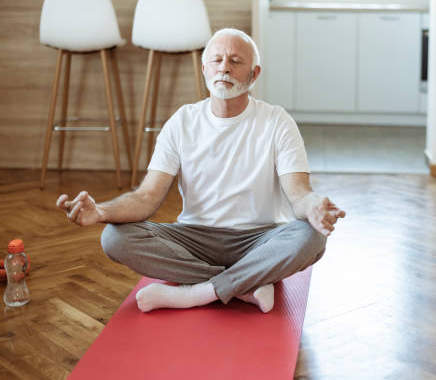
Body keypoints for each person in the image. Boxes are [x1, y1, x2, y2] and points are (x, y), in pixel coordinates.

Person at [56, 28, 345, 314]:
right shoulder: (182, 121)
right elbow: (146, 198)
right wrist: (101, 212)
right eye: (217, 60)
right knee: (113, 238)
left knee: (312, 237)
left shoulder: (277, 121)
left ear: (254, 74)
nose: (224, 68)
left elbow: (299, 194)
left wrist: (314, 207)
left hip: (259, 240)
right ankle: (243, 285)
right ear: (204, 68)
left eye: (235, 61)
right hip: (194, 239)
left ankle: (198, 292)